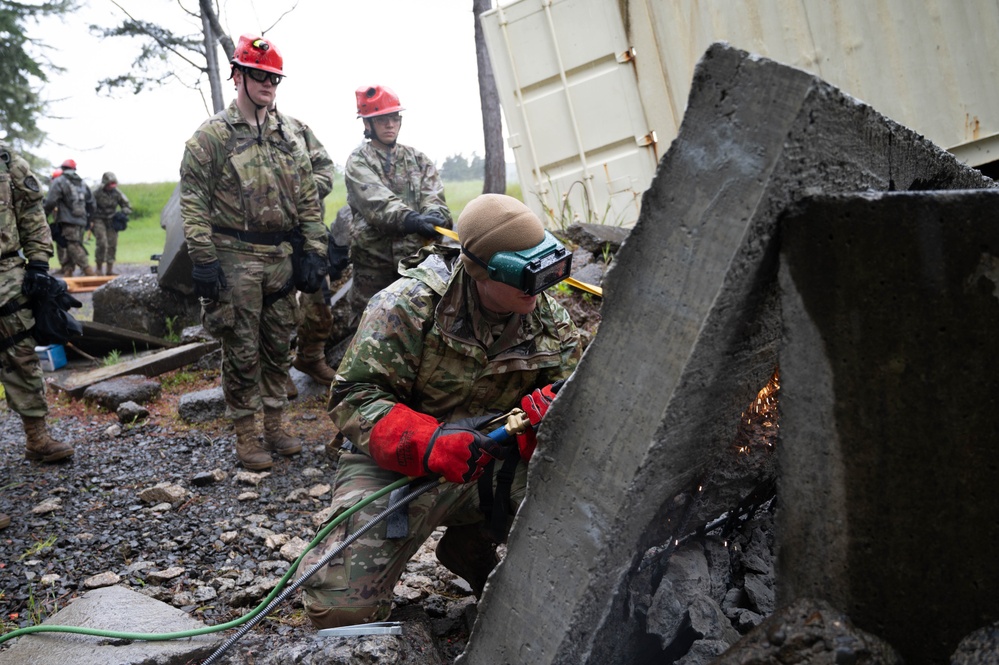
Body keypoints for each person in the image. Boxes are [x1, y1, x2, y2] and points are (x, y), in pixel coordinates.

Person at [297, 193, 581, 628]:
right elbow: (353, 394)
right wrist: (427, 443)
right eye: (529, 275)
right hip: (398, 464)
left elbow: (574, 421)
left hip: (490, 462)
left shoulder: (553, 324)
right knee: (341, 612)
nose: (543, 288)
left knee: (580, 520)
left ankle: (471, 543)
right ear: (482, 271)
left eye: (548, 268)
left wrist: (546, 423)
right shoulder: (407, 306)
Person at [179, 34, 327, 471]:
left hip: (279, 257)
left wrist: (315, 250)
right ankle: (246, 434)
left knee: (280, 343)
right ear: (238, 76)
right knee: (241, 348)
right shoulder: (211, 137)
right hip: (232, 255)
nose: (269, 85)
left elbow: (307, 199)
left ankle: (277, 425)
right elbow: (193, 203)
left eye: (275, 78)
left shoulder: (288, 135)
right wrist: (203, 259)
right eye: (261, 76)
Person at [0, 141, 77, 530]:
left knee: (22, 355)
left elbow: (31, 211)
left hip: (9, 276)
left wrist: (40, 264)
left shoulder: (8, 161)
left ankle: (38, 439)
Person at [342, 84, 452, 331]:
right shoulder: (359, 161)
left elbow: (433, 194)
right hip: (374, 264)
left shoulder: (417, 159)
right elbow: (377, 202)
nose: (390, 125)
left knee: (419, 323)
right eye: (382, 120)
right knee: (368, 326)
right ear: (368, 124)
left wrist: (435, 216)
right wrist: (412, 220)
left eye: (394, 118)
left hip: (415, 261)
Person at [277, 108, 337, 391]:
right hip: (266, 239)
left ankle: (310, 357)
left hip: (307, 232)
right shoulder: (235, 132)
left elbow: (325, 168)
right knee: (275, 307)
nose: (266, 84)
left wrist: (299, 189)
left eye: (271, 79)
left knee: (319, 300)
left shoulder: (297, 128)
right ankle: (276, 370)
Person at [43, 159, 95, 277]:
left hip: (67, 220)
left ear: (63, 169)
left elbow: (50, 201)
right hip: (82, 220)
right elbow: (92, 203)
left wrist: (44, 214)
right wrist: (90, 219)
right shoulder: (82, 183)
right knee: (73, 243)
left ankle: (87, 270)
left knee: (72, 245)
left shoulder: (59, 181)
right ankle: (69, 271)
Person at [90, 171, 132, 276]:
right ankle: (99, 268)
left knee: (112, 244)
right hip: (98, 219)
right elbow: (88, 205)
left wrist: (122, 213)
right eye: (109, 184)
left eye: (113, 184)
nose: (111, 187)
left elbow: (127, 205)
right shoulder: (96, 193)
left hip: (112, 221)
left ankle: (109, 269)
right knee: (102, 243)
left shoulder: (117, 193)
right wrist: (90, 220)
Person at [46, 168, 71, 275]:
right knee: (60, 244)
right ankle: (63, 266)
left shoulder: (67, 188)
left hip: (67, 221)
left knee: (68, 245)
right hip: (58, 221)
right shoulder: (55, 189)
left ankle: (69, 268)